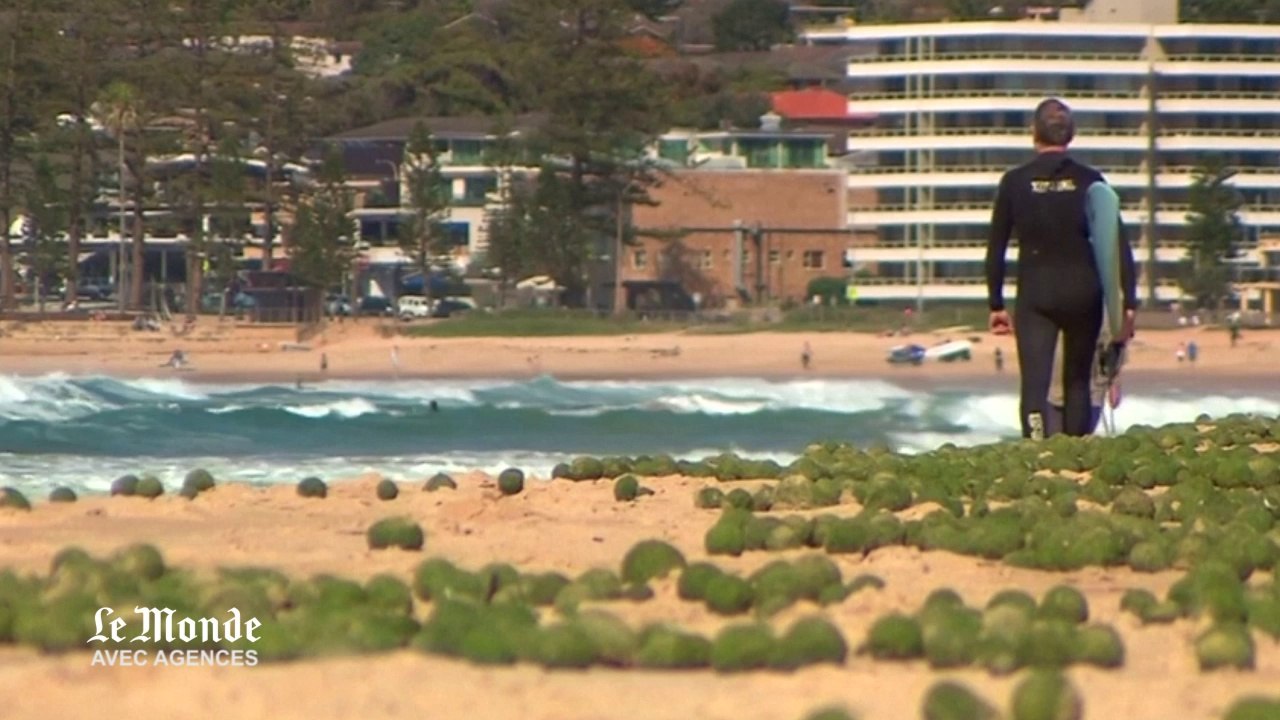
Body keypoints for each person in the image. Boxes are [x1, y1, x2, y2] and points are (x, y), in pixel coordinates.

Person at [985, 97, 1137, 439]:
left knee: (1035, 384)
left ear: (1033, 133)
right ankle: (1075, 450)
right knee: (1077, 380)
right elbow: (1117, 244)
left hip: (1036, 295)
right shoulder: (1090, 180)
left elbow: (996, 249)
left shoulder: (1014, 182)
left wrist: (995, 304)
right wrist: (1129, 305)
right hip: (1083, 292)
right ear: (1071, 135)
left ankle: (1038, 451)